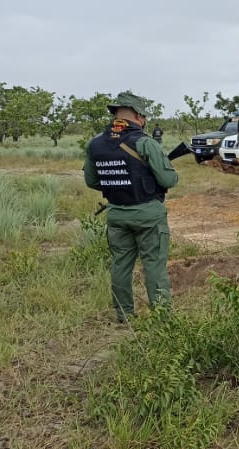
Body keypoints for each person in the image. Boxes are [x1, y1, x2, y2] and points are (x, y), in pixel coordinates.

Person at [83, 92, 179, 322]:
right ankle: (162, 318)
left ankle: (123, 314)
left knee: (120, 265)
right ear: (138, 115)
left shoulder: (95, 144)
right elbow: (169, 180)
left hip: (116, 213)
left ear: (116, 114)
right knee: (154, 265)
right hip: (148, 214)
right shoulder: (144, 142)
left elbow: (92, 181)